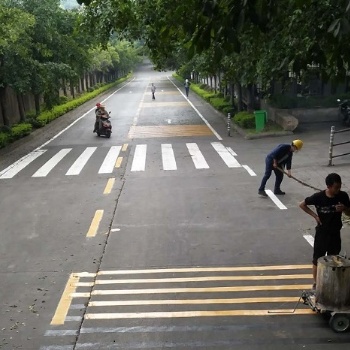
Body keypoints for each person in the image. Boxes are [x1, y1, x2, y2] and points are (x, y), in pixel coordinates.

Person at [299, 173, 350, 290]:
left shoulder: (343, 196)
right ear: (328, 186)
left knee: (335, 259)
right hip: (322, 232)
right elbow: (302, 204)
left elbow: (349, 212)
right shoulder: (318, 197)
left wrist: (345, 209)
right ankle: (316, 283)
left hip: (335, 232)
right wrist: (315, 216)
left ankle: (333, 282)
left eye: (339, 187)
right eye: (336, 187)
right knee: (317, 259)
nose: (338, 189)